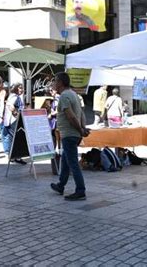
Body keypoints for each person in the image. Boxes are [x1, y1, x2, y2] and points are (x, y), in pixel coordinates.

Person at [50, 72, 90, 201]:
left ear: (60, 82)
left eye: (55, 81)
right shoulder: (74, 94)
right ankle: (61, 185)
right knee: (66, 161)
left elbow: (71, 116)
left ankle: (80, 190)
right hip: (74, 134)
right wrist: (82, 129)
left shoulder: (64, 96)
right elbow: (81, 114)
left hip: (69, 134)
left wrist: (80, 129)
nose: (53, 83)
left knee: (73, 163)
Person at [2, 83, 25, 164]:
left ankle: (11, 155)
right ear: (15, 89)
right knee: (15, 138)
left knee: (10, 138)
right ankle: (16, 157)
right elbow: (10, 105)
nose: (21, 90)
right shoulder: (15, 97)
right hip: (13, 120)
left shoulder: (13, 96)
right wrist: (16, 113)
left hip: (9, 120)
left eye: (22, 88)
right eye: (19, 88)